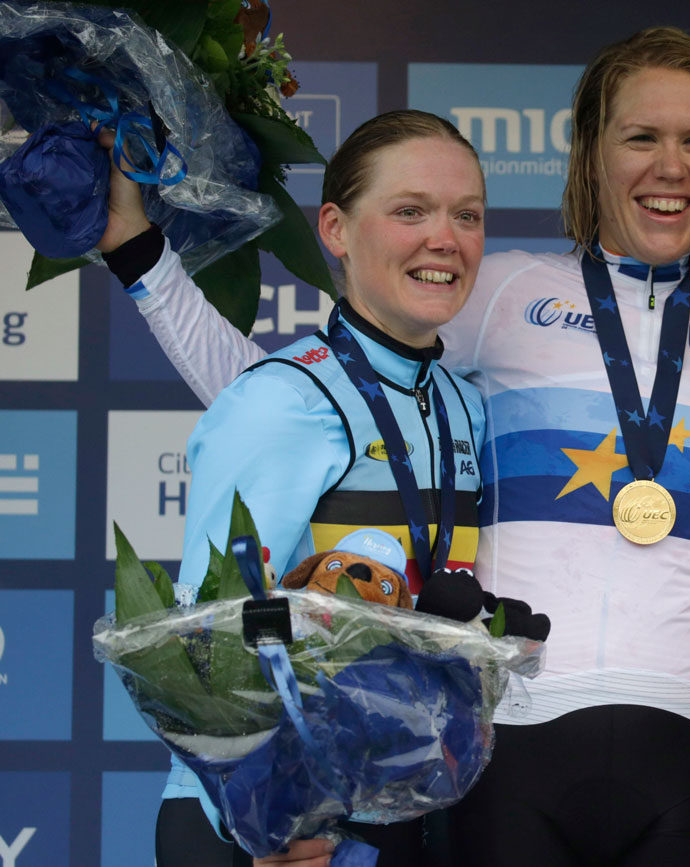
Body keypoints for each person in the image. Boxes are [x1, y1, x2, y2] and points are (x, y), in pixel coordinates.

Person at [111, 27, 690, 866]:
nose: (670, 165)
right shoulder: (499, 291)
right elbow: (286, 390)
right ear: (593, 155)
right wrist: (141, 259)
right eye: (641, 137)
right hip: (494, 750)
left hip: (668, 738)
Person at [99, 109, 490, 867]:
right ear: (336, 229)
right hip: (270, 826)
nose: (445, 238)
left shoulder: (463, 406)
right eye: (410, 211)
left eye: (466, 215)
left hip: (400, 809)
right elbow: (205, 641)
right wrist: (266, 816)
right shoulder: (281, 400)